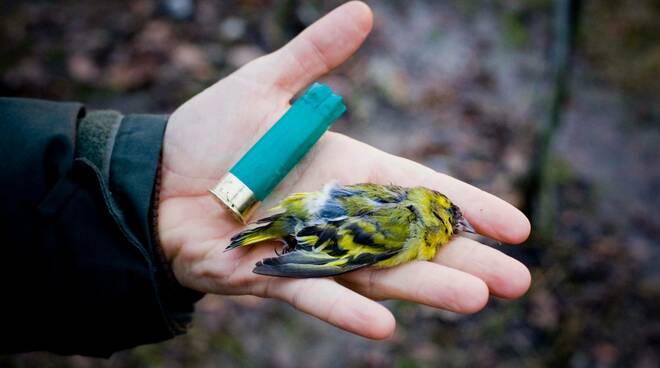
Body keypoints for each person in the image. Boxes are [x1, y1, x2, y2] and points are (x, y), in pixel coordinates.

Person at [0, 1, 531, 357]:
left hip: (300, 208)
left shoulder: (400, 198)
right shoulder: (403, 235)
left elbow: (334, 210)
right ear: (431, 223)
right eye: (447, 224)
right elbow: (338, 251)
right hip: (301, 222)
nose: (445, 229)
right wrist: (288, 259)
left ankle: (260, 227)